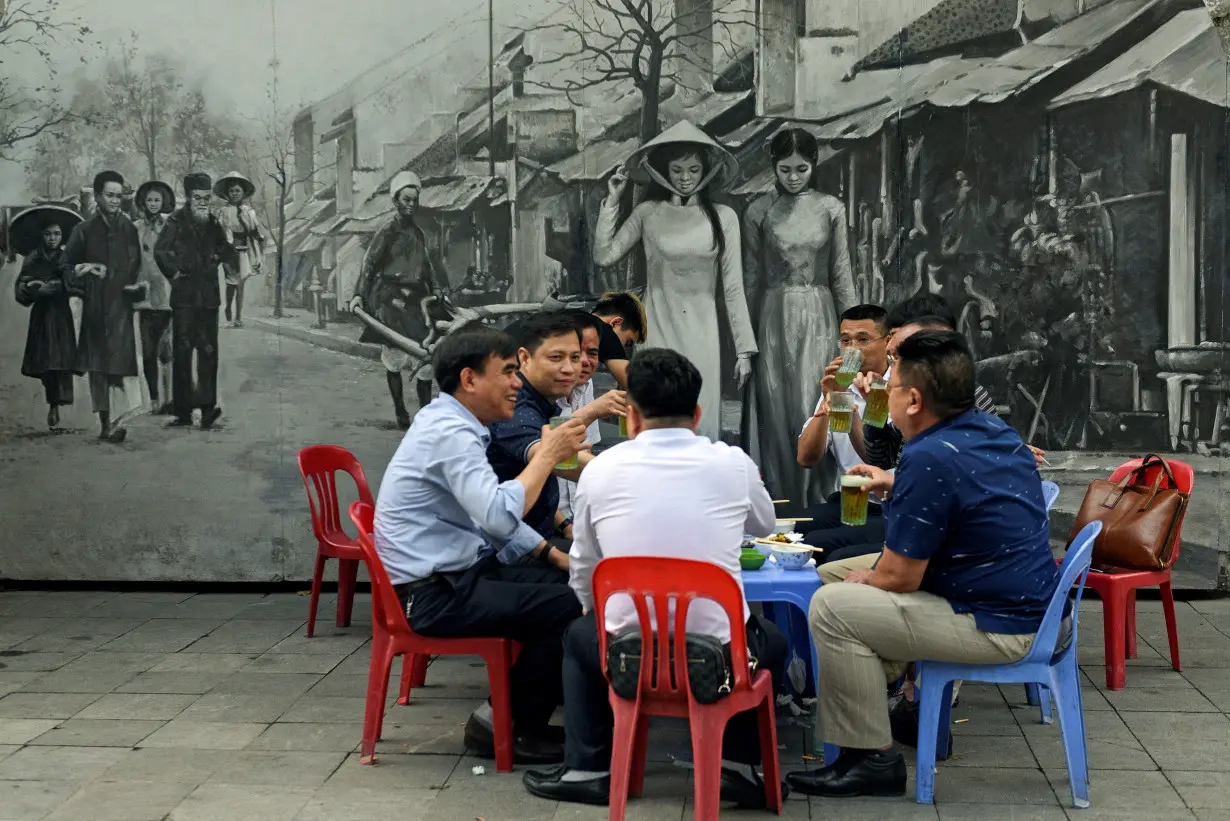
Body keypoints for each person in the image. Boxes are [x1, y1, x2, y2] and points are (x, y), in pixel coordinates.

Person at [786, 330, 1063, 798]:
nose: (884, 395)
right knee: (826, 575)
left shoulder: (928, 455)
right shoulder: (988, 430)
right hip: (1007, 594)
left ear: (913, 400)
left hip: (997, 622)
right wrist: (890, 480)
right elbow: (959, 487)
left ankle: (870, 758)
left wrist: (870, 579)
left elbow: (900, 576)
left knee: (833, 605)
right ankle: (875, 688)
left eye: (890, 386)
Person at [523, 348, 789, 808]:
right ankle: (740, 767)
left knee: (580, 634)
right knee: (773, 642)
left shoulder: (600, 470)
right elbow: (765, 528)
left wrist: (594, 610)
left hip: (629, 655)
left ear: (632, 419)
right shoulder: (733, 463)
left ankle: (588, 769)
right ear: (698, 413)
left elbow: (585, 566)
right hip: (721, 659)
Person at [374, 323, 588, 764]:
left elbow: (490, 518)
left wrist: (552, 554)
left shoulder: (455, 423)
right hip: (434, 595)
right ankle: (504, 727)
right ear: (470, 379)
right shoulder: (452, 433)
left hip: (457, 575)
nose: (516, 384)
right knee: (568, 605)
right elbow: (495, 514)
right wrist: (548, 455)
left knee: (575, 585)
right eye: (508, 372)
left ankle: (515, 717)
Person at [593, 120, 757, 443]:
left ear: (706, 170)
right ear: (663, 171)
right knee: (655, 411)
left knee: (702, 413)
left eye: (694, 170)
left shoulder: (724, 217)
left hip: (704, 331)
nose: (685, 179)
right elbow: (604, 254)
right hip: (657, 327)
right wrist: (613, 201)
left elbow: (733, 287)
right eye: (677, 170)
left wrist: (744, 351)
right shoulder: (647, 213)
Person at [743, 127, 857, 505]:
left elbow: (842, 274)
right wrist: (745, 342)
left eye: (802, 169)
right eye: (785, 169)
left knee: (818, 400)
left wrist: (854, 339)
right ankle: (782, 500)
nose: (793, 177)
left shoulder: (831, 209)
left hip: (821, 316)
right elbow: (750, 280)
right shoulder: (758, 211)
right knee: (777, 410)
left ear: (814, 165)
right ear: (773, 167)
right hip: (772, 317)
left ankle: (823, 500)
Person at [488, 312, 624, 544]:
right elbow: (554, 458)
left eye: (576, 357)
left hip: (538, 539)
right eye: (556, 357)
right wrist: (639, 478)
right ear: (524, 358)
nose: (571, 368)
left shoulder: (546, 398)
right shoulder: (513, 404)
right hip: (506, 552)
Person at [349, 171, 448, 429]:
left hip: (416, 299)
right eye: (406, 200)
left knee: (425, 356)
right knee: (394, 356)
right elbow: (369, 264)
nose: (411, 205)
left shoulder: (417, 233)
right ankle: (401, 411)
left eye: (414, 200)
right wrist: (359, 294)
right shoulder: (387, 231)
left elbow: (427, 267)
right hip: (390, 298)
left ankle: (425, 414)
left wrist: (436, 289)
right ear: (395, 201)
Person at [794, 304, 890, 562]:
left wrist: (842, 402)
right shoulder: (840, 385)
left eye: (863, 339)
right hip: (851, 499)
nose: (852, 349)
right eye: (846, 341)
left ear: (887, 341)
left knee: (818, 545)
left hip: (891, 506)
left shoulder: (899, 386)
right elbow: (806, 458)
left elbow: (877, 457)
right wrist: (831, 397)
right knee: (793, 531)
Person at [63, 170, 144, 443]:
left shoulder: (129, 229)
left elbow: (135, 266)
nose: (115, 201)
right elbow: (65, 267)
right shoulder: (83, 230)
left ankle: (122, 418)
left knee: (120, 363)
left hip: (120, 305)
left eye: (119, 196)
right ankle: (105, 423)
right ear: (97, 196)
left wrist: (126, 281)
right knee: (98, 366)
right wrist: (83, 269)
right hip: (96, 306)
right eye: (109, 195)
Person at [154, 173, 239, 430]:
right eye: (197, 198)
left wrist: (219, 254)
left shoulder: (213, 222)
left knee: (209, 353)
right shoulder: (175, 221)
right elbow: (161, 251)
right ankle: (182, 412)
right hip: (184, 298)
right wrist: (174, 272)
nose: (202, 202)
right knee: (182, 352)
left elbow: (227, 250)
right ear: (188, 198)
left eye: (206, 198)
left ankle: (207, 409)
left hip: (209, 298)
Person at [11, 205, 82, 429]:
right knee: (47, 363)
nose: (53, 238)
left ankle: (58, 407)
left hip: (61, 316)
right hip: (42, 317)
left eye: (57, 234)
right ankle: (53, 405)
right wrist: (31, 288)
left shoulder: (65, 257)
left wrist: (56, 286)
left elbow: (75, 284)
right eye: (48, 234)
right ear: (41, 236)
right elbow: (20, 288)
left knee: (61, 362)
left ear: (63, 236)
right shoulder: (33, 258)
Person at [554, 310, 629, 518]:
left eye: (593, 353)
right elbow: (545, 452)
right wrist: (592, 411)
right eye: (578, 353)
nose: (586, 361)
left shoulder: (585, 384)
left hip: (576, 516)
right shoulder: (536, 390)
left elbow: (583, 455)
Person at [132, 180, 176, 414]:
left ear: (163, 202)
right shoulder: (135, 227)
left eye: (157, 200)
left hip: (167, 293)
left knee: (167, 350)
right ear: (143, 202)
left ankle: (169, 398)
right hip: (145, 294)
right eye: (149, 200)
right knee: (148, 351)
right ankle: (154, 399)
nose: (153, 204)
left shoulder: (170, 226)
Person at [214, 171, 266, 328]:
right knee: (231, 283)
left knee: (241, 283)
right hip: (229, 251)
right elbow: (219, 233)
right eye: (231, 191)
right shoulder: (223, 212)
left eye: (237, 191)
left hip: (244, 251)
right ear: (227, 193)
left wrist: (259, 252)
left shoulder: (249, 212)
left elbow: (255, 233)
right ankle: (228, 306)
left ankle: (238, 316)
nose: (234, 194)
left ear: (243, 192)